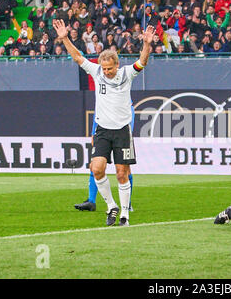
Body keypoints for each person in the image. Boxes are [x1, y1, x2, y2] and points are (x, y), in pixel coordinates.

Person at [53, 19, 155, 226]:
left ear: (117, 65)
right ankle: (111, 206)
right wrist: (64, 38)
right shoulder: (96, 71)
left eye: (109, 68)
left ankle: (125, 214)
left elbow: (142, 61)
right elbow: (77, 56)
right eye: (104, 68)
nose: (106, 72)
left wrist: (146, 44)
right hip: (102, 130)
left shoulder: (127, 73)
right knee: (97, 168)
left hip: (122, 131)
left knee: (121, 173)